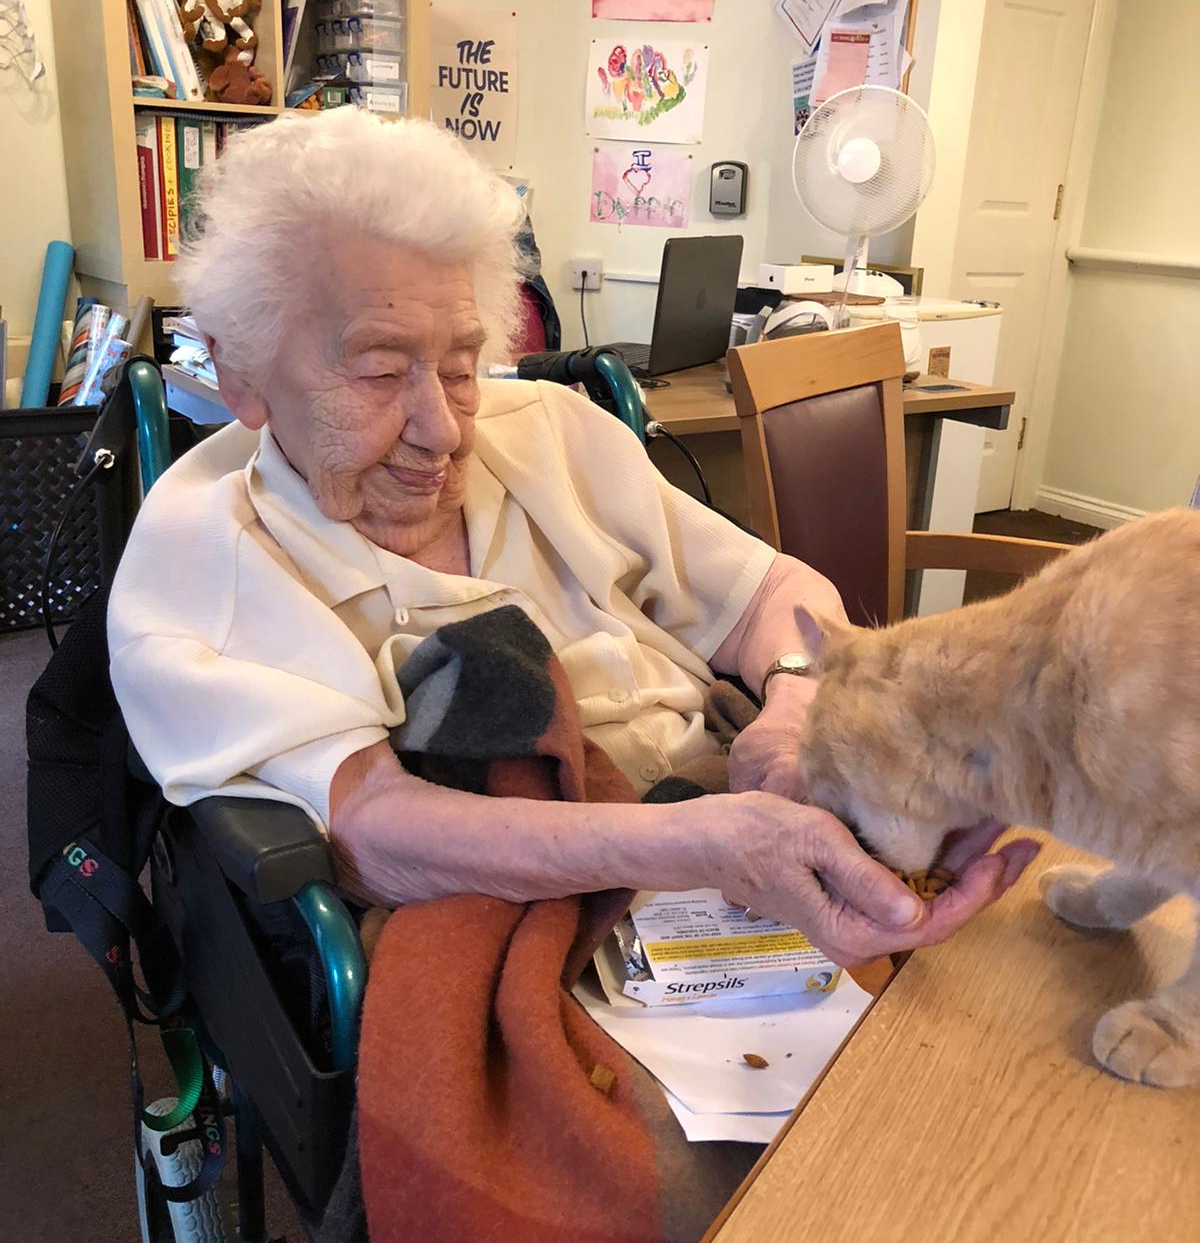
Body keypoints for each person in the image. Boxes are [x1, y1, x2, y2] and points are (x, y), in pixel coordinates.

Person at [109, 109, 1034, 967]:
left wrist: (795, 713)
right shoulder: (207, 561)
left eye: (462, 366)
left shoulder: (549, 430)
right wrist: (701, 846)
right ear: (241, 373)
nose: (445, 429)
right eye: (382, 373)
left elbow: (774, 596)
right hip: (565, 910)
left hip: (739, 837)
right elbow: (377, 830)